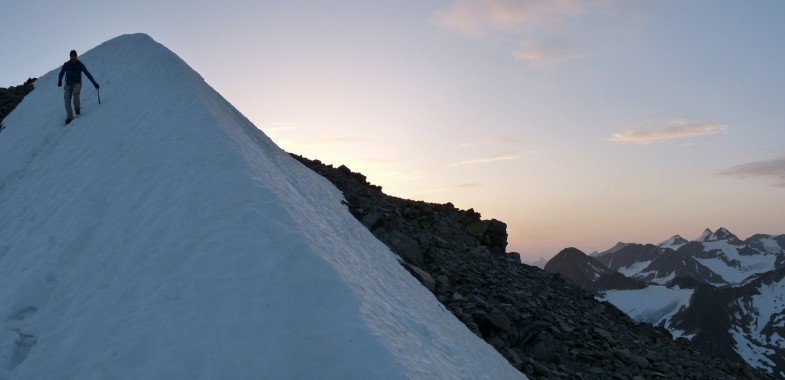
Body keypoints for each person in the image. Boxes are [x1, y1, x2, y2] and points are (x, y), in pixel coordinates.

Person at [57, 50, 99, 124]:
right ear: (70, 57)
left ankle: (77, 109)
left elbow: (87, 73)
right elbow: (61, 73)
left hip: (77, 83)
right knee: (67, 100)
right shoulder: (66, 64)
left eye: (74, 56)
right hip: (68, 84)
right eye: (71, 56)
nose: (73, 57)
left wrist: (94, 83)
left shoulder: (80, 65)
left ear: (76, 56)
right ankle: (69, 117)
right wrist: (60, 81)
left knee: (76, 94)